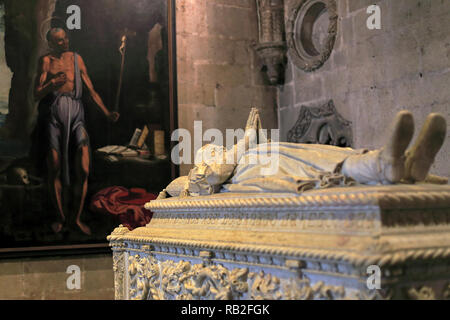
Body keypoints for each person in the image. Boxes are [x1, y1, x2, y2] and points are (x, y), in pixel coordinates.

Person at [34, 28, 120, 235]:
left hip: (76, 115)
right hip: (55, 116)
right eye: (58, 41)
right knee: (54, 165)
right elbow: (36, 93)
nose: (64, 43)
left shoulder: (76, 59)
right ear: (50, 43)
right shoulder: (46, 61)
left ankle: (77, 218)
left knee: (83, 165)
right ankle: (61, 218)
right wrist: (51, 84)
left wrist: (107, 113)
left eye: (65, 39)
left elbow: (91, 90)